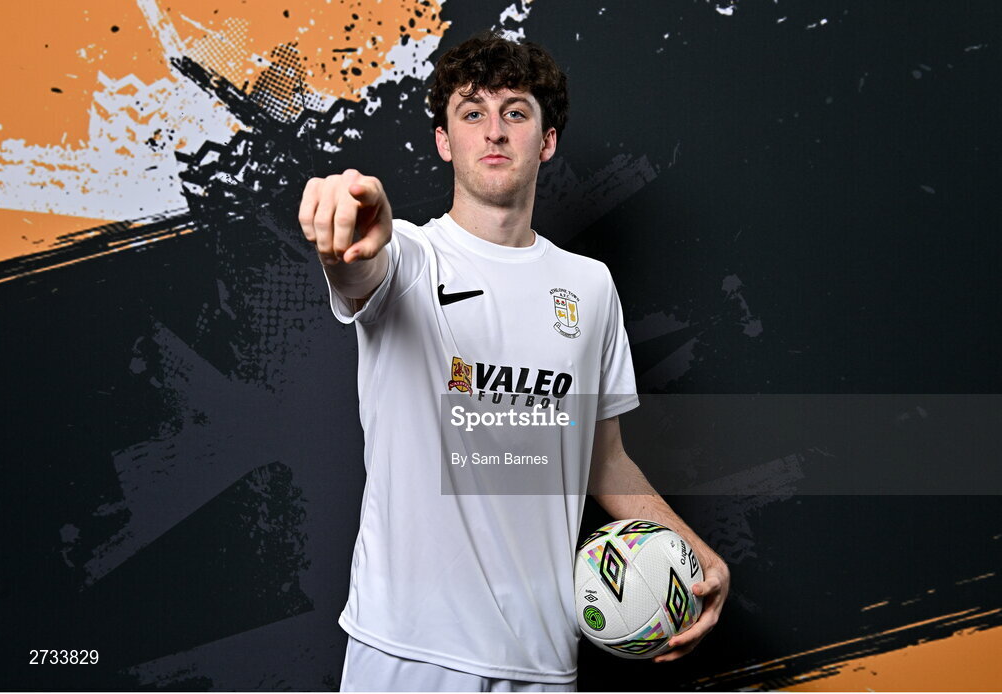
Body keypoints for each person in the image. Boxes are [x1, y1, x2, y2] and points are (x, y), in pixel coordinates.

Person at [298, 31, 730, 692]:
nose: (493, 131)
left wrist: (692, 551)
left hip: (543, 657)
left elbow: (600, 458)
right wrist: (347, 229)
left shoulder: (588, 287)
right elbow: (360, 269)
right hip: (409, 652)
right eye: (472, 113)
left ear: (546, 140)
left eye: (516, 112)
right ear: (445, 140)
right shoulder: (409, 258)